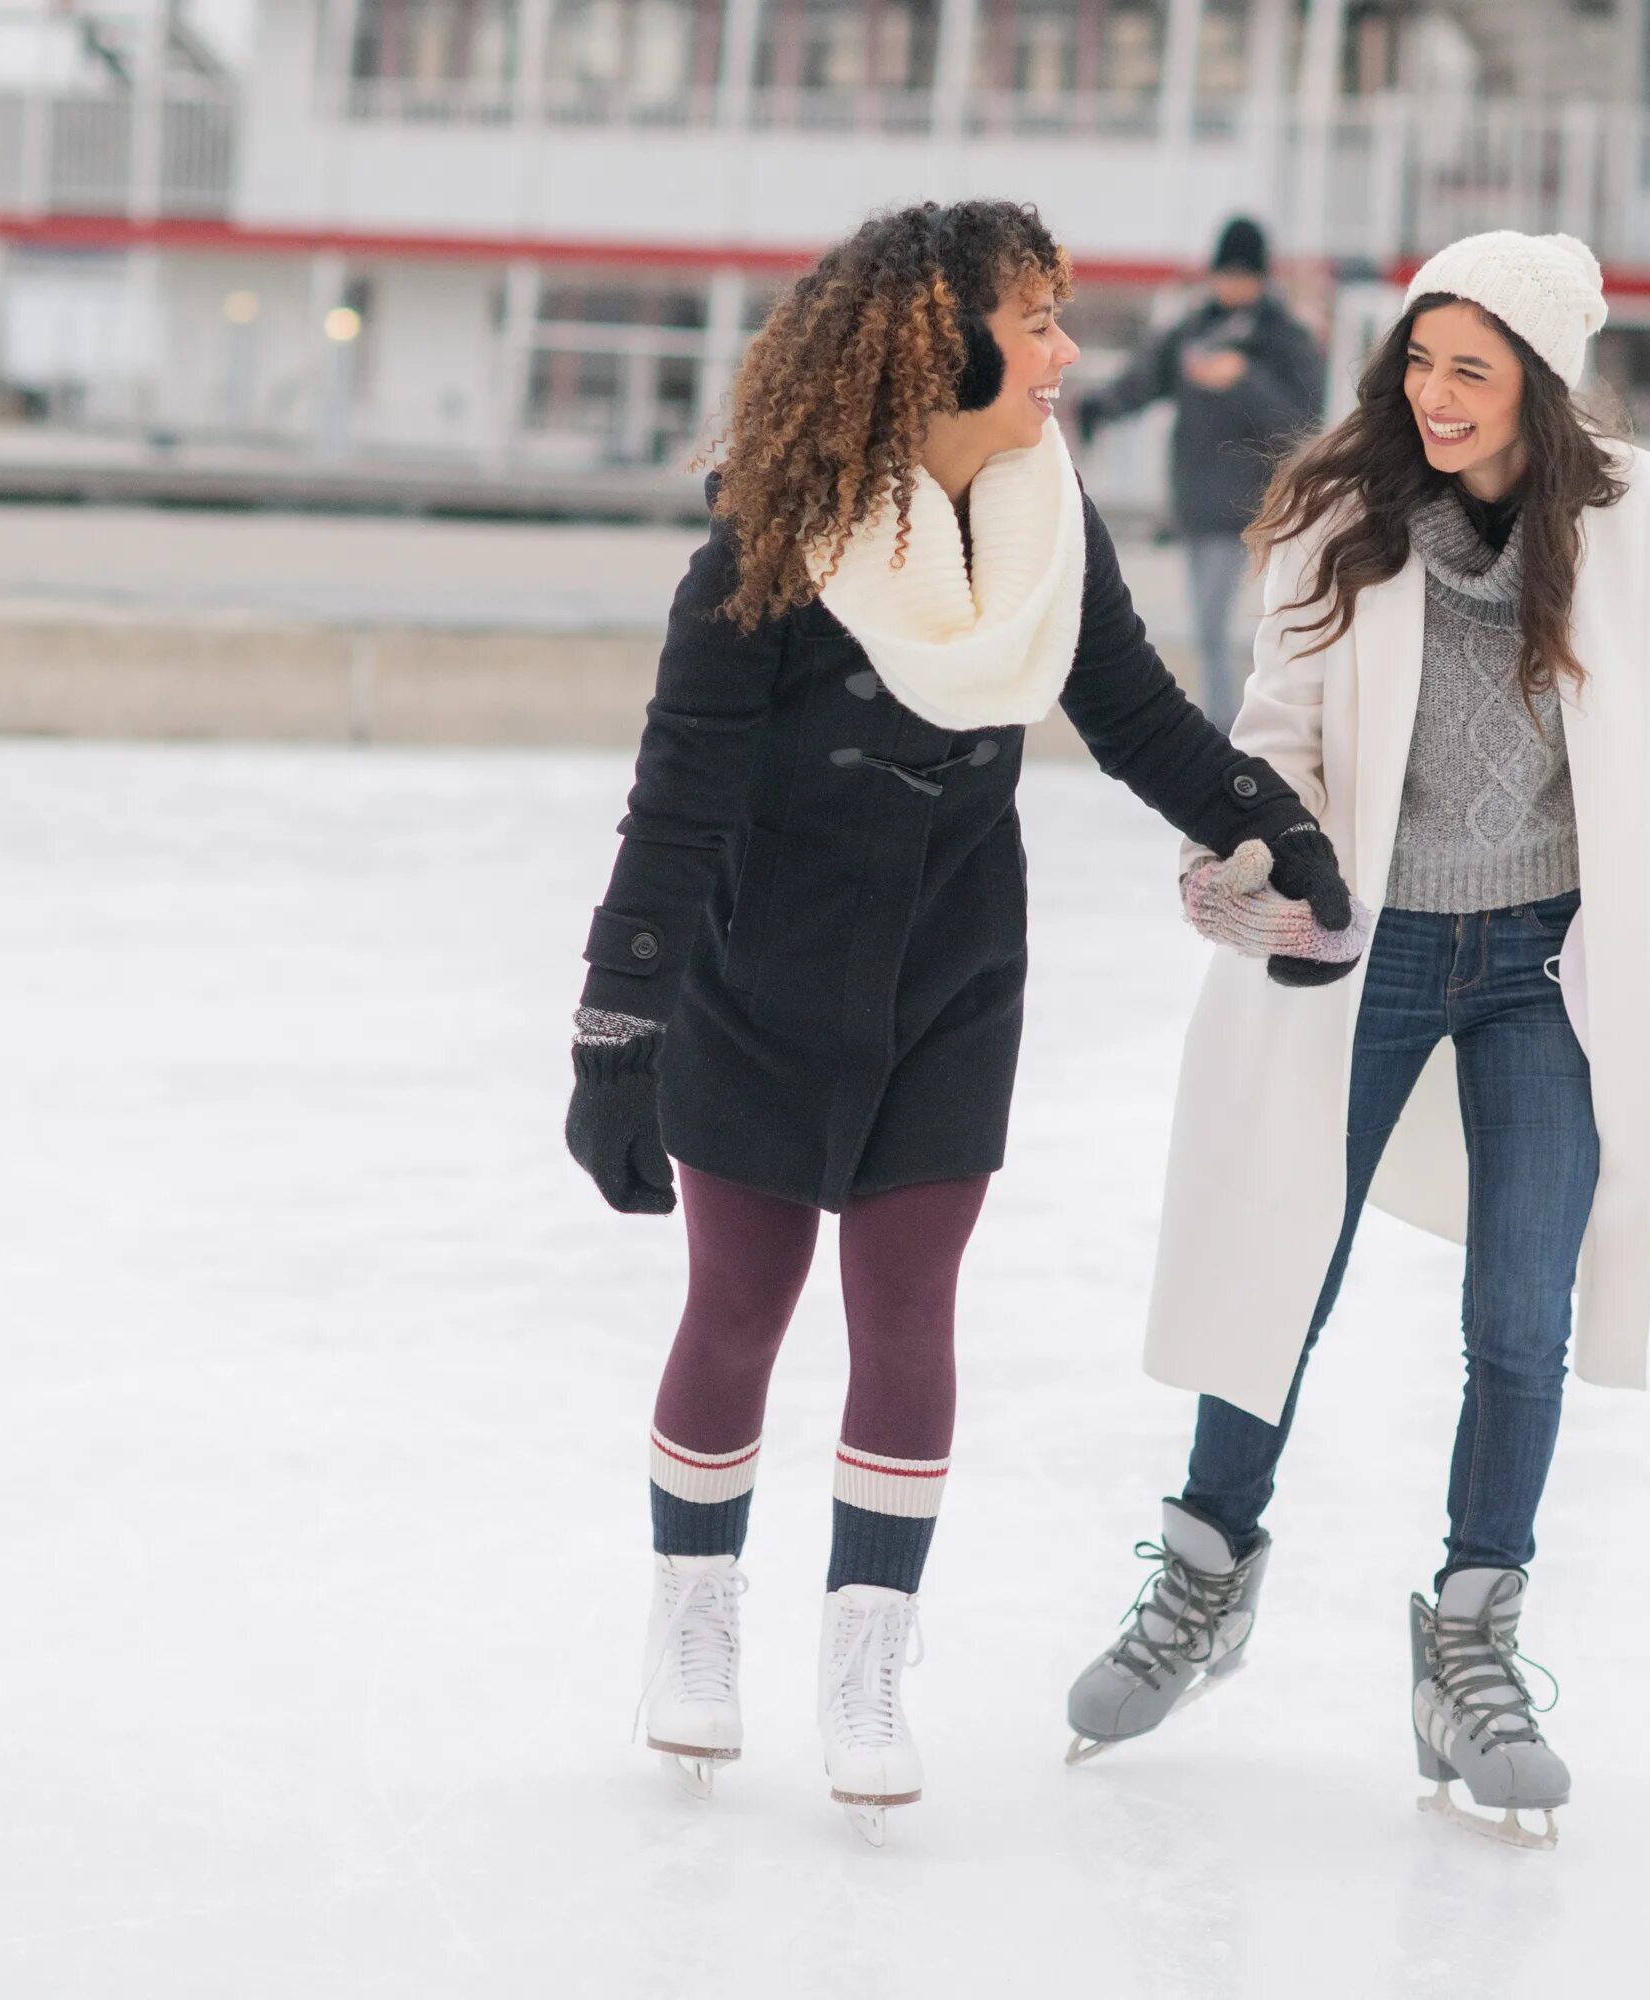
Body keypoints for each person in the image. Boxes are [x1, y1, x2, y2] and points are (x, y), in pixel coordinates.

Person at [1057, 232, 1650, 1848]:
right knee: (1275, 1266)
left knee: (1522, 1309)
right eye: (1419, 362)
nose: (1433, 396)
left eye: (1472, 368)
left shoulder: (1632, 516)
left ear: (1539, 381)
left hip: (1539, 965)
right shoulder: (1333, 511)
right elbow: (1279, 730)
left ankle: (1471, 1639)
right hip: (1361, 954)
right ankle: (1208, 1576)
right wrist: (1238, 862)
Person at [560, 200, 1365, 1846]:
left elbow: (1138, 714)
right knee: (738, 1309)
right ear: (946, 345)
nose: (1070, 351)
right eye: (1041, 320)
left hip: (949, 974)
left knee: (910, 1311)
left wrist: (1272, 830)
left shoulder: (1046, 535)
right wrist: (618, 1032)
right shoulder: (768, 549)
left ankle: (867, 1661)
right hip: (760, 973)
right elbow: (679, 805)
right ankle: (695, 1616)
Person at [1075, 215, 1328, 731]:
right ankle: (1228, 722)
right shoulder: (1192, 332)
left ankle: (1228, 727)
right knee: (1209, 627)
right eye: (1224, 274)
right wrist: (1099, 406)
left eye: (1242, 275)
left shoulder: (1283, 338)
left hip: (1257, 506)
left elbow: (1303, 423)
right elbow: (1144, 380)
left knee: (1237, 628)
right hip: (1196, 499)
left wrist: (1244, 379)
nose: (1231, 286)